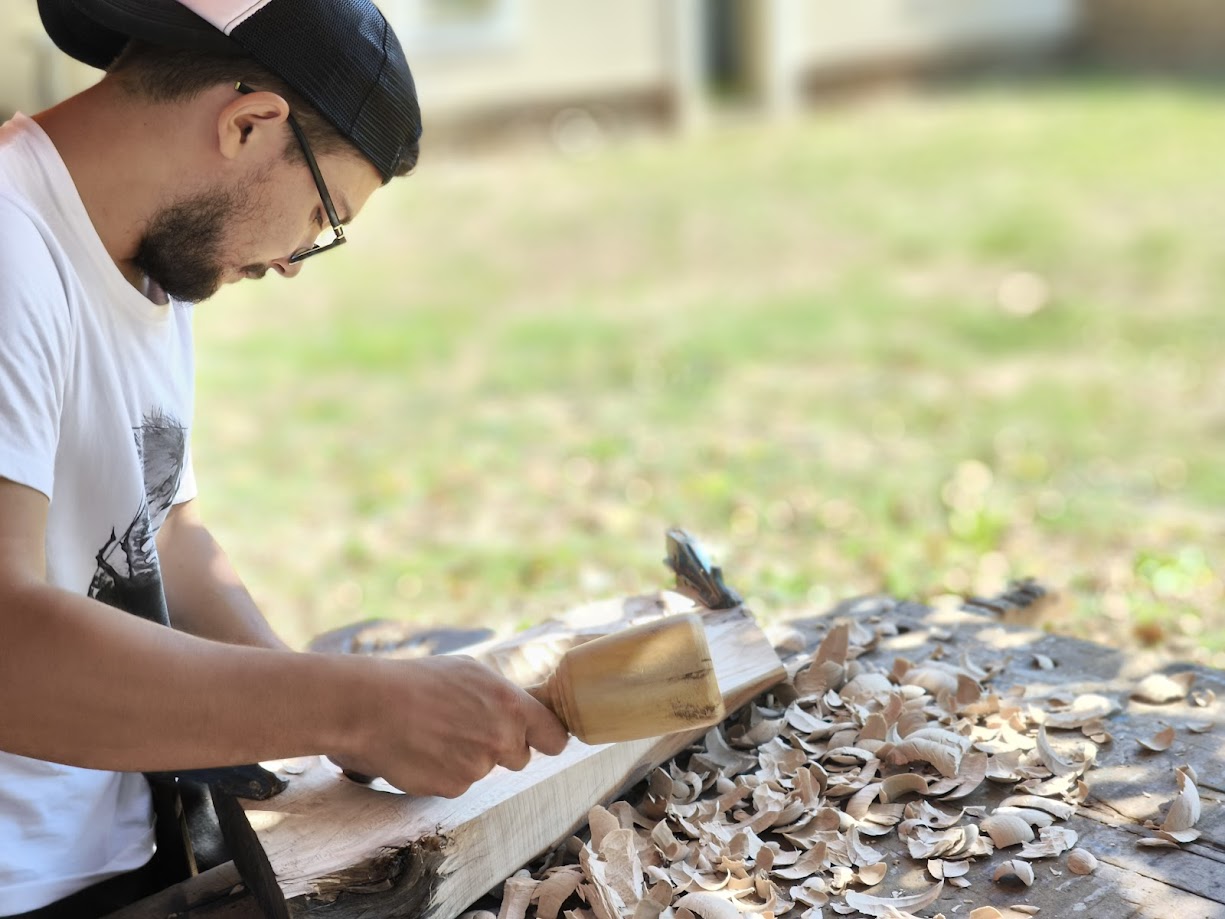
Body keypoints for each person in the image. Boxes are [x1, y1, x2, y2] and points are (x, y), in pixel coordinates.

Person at [0, 1, 569, 914]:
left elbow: (169, 532)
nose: (297, 259)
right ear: (249, 123)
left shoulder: (149, 254)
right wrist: (347, 702)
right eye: (321, 213)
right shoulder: (9, 250)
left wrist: (314, 730)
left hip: (125, 837)